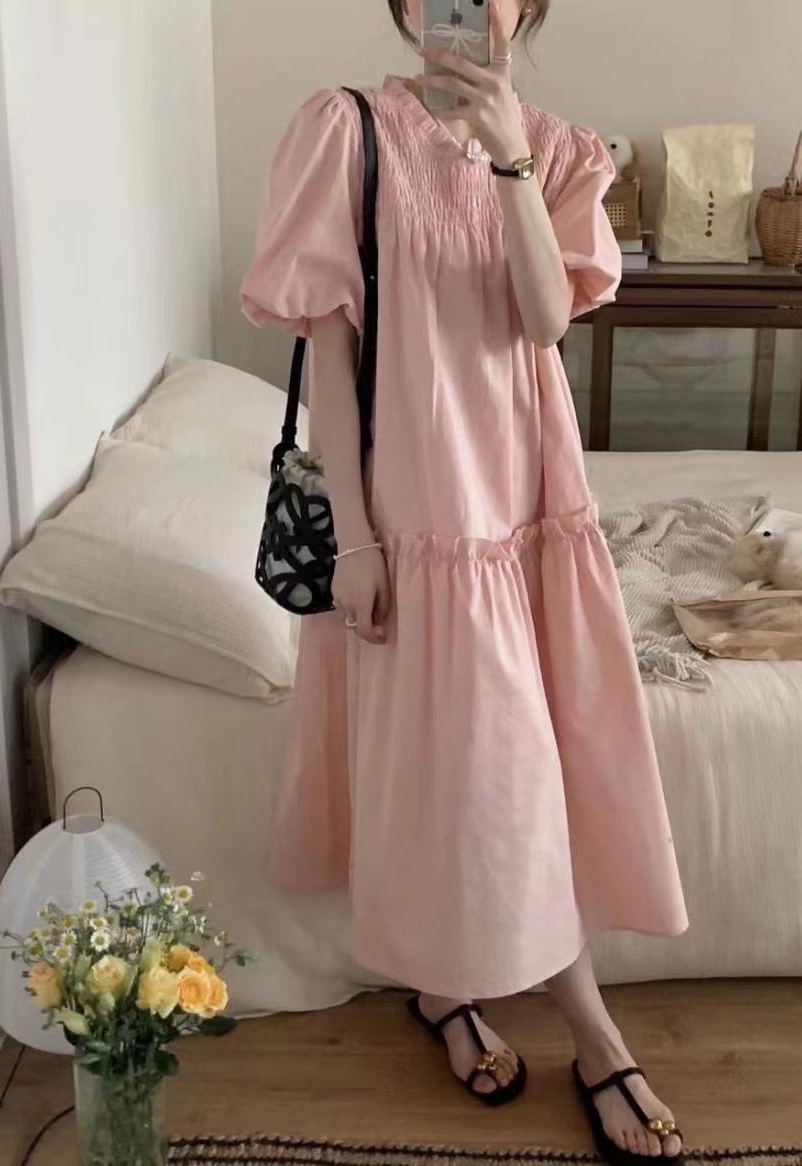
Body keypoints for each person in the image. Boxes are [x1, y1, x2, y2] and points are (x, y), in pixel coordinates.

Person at [241, 1, 688, 1159]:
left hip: (530, 505)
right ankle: (583, 1028)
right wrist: (356, 537)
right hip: (423, 510)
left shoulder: (566, 152)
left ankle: (457, 991)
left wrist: (508, 159)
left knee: (521, 765)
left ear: (526, 9)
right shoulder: (344, 130)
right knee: (484, 769)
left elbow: (544, 318)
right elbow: (329, 352)